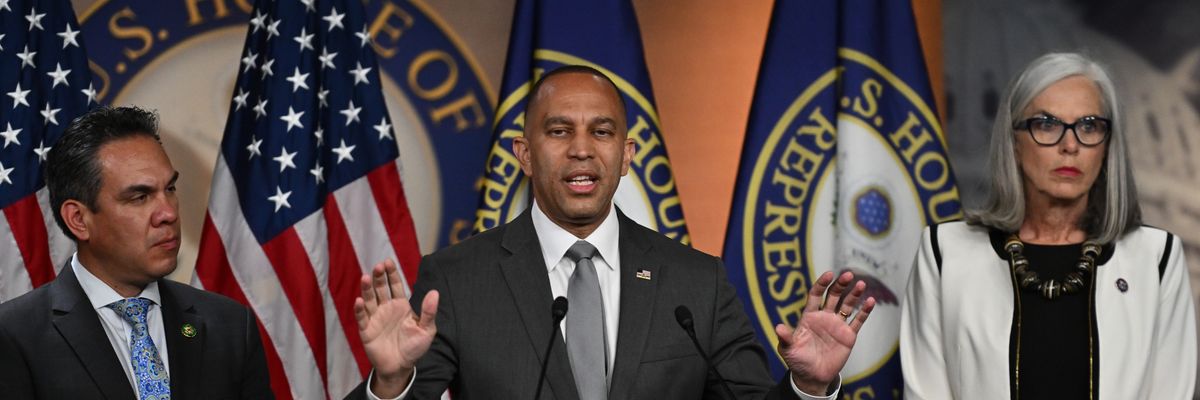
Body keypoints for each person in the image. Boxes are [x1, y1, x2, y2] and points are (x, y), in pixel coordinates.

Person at [346, 65, 876, 400]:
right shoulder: (459, 280)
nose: (581, 148)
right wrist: (390, 385)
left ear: (626, 156)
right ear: (524, 154)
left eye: (602, 132)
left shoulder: (696, 283)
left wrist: (809, 387)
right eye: (558, 131)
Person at [900, 52, 1196, 399]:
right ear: (1014, 141)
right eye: (1047, 124)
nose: (1069, 145)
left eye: (1088, 126)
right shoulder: (945, 253)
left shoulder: (1155, 258)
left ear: (1107, 147)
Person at [0, 106, 273, 399]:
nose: (168, 213)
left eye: (170, 189)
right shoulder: (13, 336)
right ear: (79, 220)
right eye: (140, 197)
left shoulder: (230, 325)